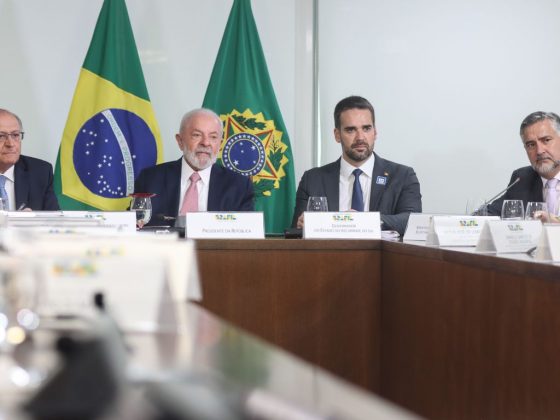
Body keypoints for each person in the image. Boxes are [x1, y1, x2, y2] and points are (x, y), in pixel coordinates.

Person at [292, 96, 421, 235]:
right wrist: (302, 225)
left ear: (375, 132)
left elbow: (411, 221)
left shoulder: (403, 176)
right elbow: (296, 233)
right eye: (350, 130)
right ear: (337, 135)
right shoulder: (312, 180)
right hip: (328, 256)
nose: (360, 138)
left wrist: (362, 221)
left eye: (366, 128)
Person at [134, 108, 254, 226]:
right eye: (197, 135)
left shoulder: (239, 186)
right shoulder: (150, 179)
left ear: (220, 144)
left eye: (213, 137)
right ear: (180, 141)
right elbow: (135, 223)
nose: (206, 143)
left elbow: (246, 235)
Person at [488, 111, 560, 218]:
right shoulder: (522, 178)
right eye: (531, 145)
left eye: (546, 140)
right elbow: (489, 213)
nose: (539, 151)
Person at [0, 109, 59, 211]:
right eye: (1, 136)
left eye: (15, 135)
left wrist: (30, 223)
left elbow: (53, 221)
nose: (10, 144)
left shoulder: (41, 172)